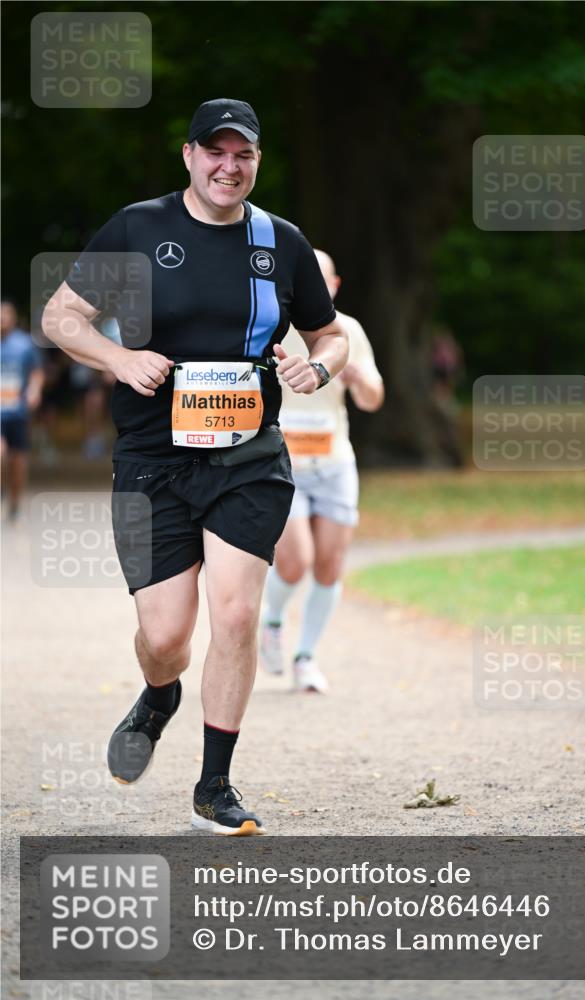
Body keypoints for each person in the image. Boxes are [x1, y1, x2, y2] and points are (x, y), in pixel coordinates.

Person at [41, 98, 348, 836]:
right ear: (188, 156)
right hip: (152, 457)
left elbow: (329, 332)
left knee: (236, 612)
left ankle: (215, 785)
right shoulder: (138, 227)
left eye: (242, 154)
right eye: (215, 151)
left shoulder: (281, 242)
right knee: (166, 636)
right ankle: (157, 694)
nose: (227, 166)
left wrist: (318, 367)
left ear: (256, 163)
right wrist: (119, 357)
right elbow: (61, 316)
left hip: (248, 457)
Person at [260, 251, 383, 692]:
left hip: (334, 463)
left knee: (329, 566)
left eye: (320, 279)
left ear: (333, 285)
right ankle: (271, 621)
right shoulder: (267, 326)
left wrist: (356, 378)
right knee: (295, 562)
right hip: (282, 462)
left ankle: (306, 657)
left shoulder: (346, 331)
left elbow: (373, 397)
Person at [1, 300, 44, 518]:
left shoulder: (25, 344)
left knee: (18, 459)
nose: (3, 319)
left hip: (17, 411)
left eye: (6, 314)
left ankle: (15, 499)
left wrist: (34, 390)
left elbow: (37, 372)